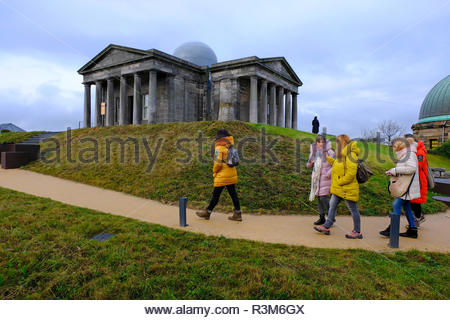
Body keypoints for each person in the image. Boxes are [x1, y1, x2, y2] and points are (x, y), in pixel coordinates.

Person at [313, 134, 363, 239]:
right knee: (332, 205)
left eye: (337, 142)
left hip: (347, 188)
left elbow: (351, 173)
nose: (336, 144)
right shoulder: (341, 154)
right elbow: (337, 164)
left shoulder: (351, 155)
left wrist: (340, 182)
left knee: (353, 209)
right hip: (339, 188)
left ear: (343, 142)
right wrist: (329, 158)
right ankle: (327, 226)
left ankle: (357, 232)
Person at [196, 129, 242, 221]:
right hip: (231, 174)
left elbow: (217, 164)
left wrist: (214, 172)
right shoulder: (229, 147)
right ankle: (238, 213)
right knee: (233, 194)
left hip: (222, 175)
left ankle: (207, 212)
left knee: (216, 195)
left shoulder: (219, 148)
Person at [379, 137, 421, 238]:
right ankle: (413, 230)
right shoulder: (407, 154)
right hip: (407, 186)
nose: (393, 148)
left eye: (394, 146)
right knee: (407, 208)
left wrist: (396, 170)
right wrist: (394, 170)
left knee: (396, 205)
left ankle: (392, 229)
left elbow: (411, 168)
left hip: (407, 187)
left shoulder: (409, 154)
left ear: (399, 146)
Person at [307, 135, 335, 225]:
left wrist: (328, 173)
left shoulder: (330, 152)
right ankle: (322, 217)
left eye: (322, 142)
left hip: (326, 179)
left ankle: (331, 216)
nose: (321, 144)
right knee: (319, 198)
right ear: (316, 143)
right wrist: (311, 163)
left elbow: (336, 165)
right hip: (317, 178)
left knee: (323, 198)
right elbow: (308, 164)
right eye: (319, 142)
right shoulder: (314, 152)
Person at [404, 133, 427, 226]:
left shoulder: (420, 152)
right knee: (412, 201)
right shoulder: (413, 151)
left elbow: (417, 165)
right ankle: (417, 217)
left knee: (415, 201)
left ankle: (418, 218)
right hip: (413, 179)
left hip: (419, 180)